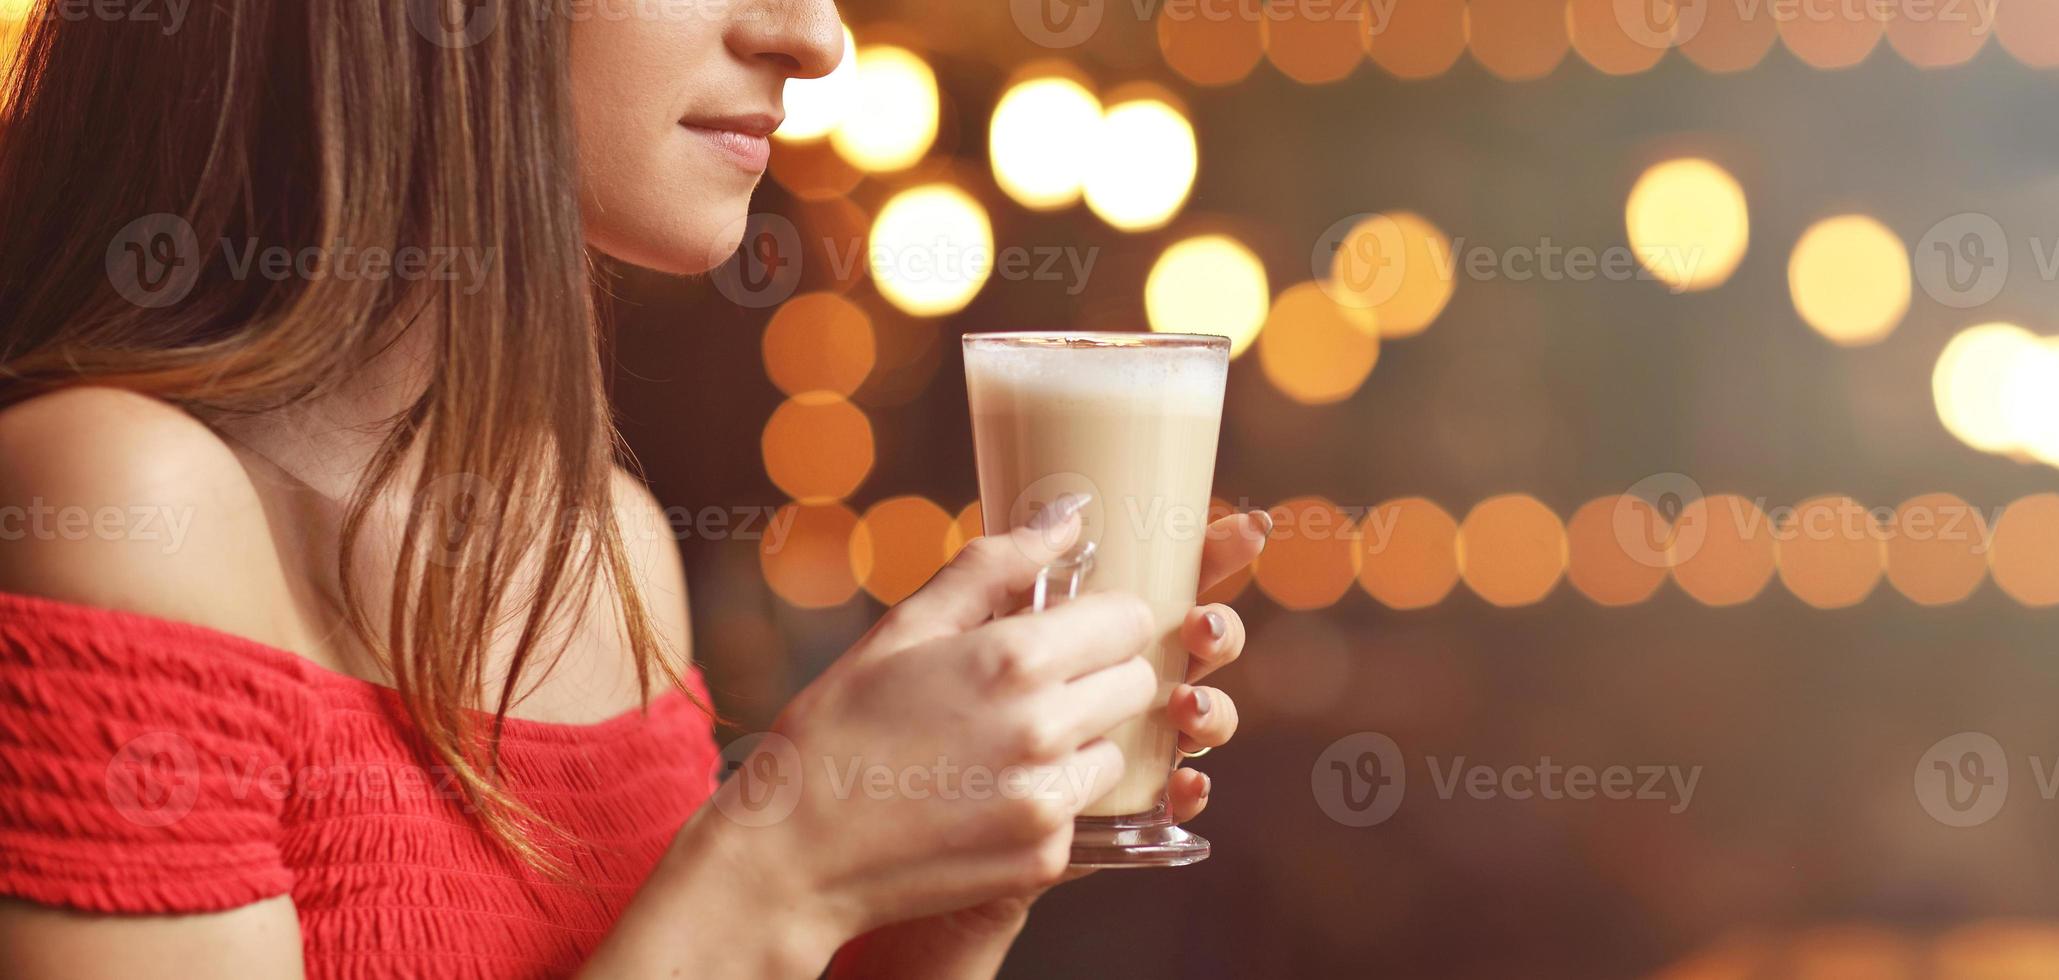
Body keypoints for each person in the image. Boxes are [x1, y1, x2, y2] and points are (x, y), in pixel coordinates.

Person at [0, 1, 1265, 976]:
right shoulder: (119, 498)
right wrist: (783, 866)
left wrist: (935, 898)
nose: (817, 40)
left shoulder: (607, 543)